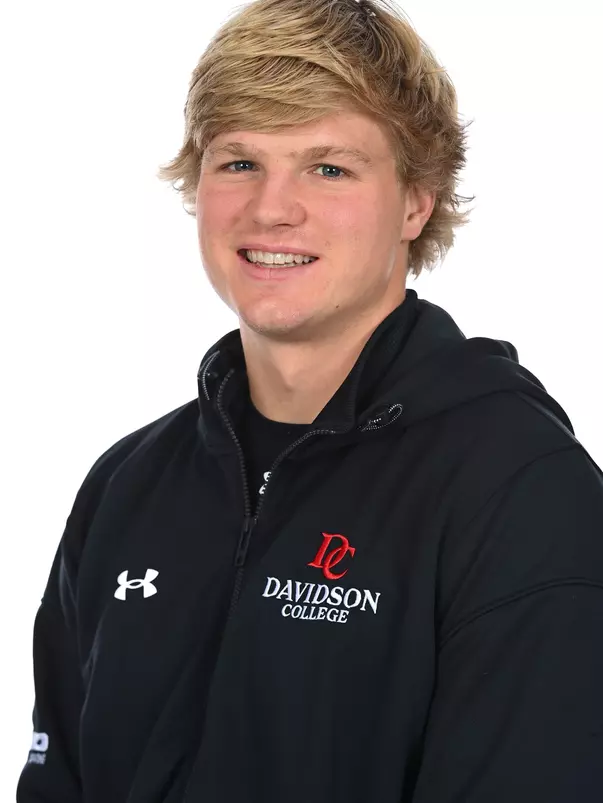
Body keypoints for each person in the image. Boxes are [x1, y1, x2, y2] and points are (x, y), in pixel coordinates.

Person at [17, 0, 603, 800]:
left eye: (328, 167)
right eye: (238, 162)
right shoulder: (128, 483)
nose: (270, 208)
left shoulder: (518, 489)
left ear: (414, 202)